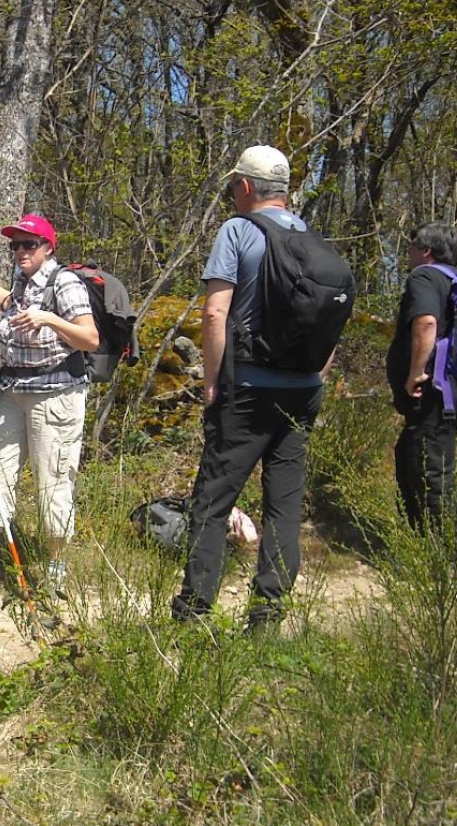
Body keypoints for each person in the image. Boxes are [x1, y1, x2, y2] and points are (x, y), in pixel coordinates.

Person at [170, 146, 326, 632]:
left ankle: (195, 613)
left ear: (244, 187)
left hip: (248, 390)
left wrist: (214, 381)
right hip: (302, 390)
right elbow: (328, 321)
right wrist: (314, 374)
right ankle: (266, 618)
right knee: (284, 505)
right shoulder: (313, 238)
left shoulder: (237, 231)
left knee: (213, 502)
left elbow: (215, 312)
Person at [0, 214, 98, 603]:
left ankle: (55, 571)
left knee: (52, 480)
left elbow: (90, 338)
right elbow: (9, 304)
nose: (20, 251)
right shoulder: (22, 281)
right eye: (15, 245)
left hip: (56, 395)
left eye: (28, 244)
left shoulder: (65, 283)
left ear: (49, 247)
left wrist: (49, 318)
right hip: (14, 391)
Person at [386, 224, 457, 531]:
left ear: (426, 250)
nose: (408, 252)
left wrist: (415, 372)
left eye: (412, 245)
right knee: (413, 458)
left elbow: (426, 323)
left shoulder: (425, 276)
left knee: (431, 471)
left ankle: (442, 557)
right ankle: (424, 541)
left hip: (434, 392)